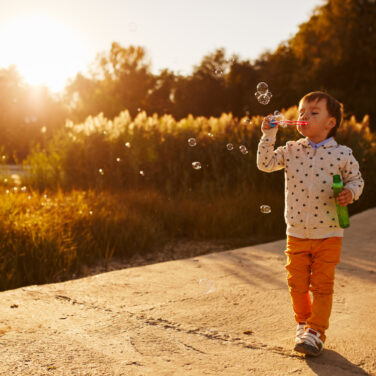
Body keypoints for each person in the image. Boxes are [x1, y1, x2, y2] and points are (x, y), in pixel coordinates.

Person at [256, 91, 364, 356]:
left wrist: (351, 192)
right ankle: (303, 323)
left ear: (330, 123)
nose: (304, 116)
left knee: (322, 286)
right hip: (297, 233)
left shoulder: (342, 154)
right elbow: (264, 163)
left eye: (314, 113)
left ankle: (316, 332)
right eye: (302, 112)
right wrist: (268, 135)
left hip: (329, 233)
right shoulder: (291, 150)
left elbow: (356, 181)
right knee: (296, 284)